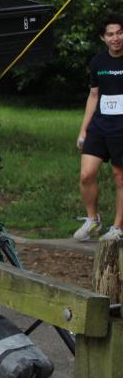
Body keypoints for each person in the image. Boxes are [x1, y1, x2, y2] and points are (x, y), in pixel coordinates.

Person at [75, 15, 123, 241]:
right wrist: (83, 129)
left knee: (119, 177)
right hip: (99, 126)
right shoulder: (98, 62)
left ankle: (118, 228)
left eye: (120, 33)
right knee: (86, 174)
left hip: (121, 129)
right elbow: (94, 95)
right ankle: (93, 220)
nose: (116, 38)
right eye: (110, 34)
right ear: (103, 38)